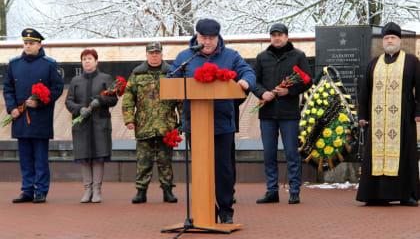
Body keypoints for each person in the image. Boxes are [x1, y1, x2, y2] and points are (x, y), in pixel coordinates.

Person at [167, 18, 256, 224]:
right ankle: (204, 209)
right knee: (200, 168)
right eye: (203, 38)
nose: (207, 42)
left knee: (222, 169)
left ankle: (225, 210)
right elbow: (171, 79)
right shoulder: (185, 57)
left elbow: (248, 72)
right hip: (194, 124)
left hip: (222, 124)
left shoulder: (230, 56)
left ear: (218, 38)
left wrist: (244, 81)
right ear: (196, 36)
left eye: (211, 38)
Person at [356, 22, 420, 206]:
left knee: (405, 155)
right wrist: (362, 115)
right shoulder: (374, 64)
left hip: (403, 119)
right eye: (386, 38)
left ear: (399, 40)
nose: (389, 40)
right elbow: (364, 92)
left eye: (392, 37)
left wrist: (418, 112)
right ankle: (375, 195)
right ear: (382, 42)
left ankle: (406, 194)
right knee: (375, 155)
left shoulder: (411, 62)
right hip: (376, 122)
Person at [253, 23, 312, 205]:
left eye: (280, 35)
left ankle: (294, 190)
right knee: (269, 154)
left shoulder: (298, 56)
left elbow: (308, 80)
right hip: (267, 113)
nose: (277, 38)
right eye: (273, 35)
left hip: (289, 113)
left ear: (287, 37)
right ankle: (272, 190)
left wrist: (290, 91)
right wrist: (263, 93)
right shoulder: (262, 57)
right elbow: (254, 81)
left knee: (291, 153)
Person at [3, 28, 64, 203]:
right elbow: (8, 89)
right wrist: (11, 108)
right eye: (26, 43)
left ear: (39, 45)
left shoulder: (49, 64)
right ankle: (27, 190)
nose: (28, 46)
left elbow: (57, 89)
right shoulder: (14, 64)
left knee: (40, 158)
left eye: (31, 43)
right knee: (25, 158)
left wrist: (41, 102)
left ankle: (41, 190)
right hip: (21, 118)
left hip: (40, 118)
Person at [122, 41, 181, 204]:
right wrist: (129, 119)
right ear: (146, 55)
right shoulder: (137, 74)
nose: (154, 55)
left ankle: (167, 191)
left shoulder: (171, 73)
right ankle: (141, 191)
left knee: (165, 161)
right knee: (143, 161)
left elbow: (180, 99)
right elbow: (128, 98)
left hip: (166, 125)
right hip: (144, 125)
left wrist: (183, 121)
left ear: (162, 54)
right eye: (151, 53)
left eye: (157, 53)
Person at [65, 49, 118, 203]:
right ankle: (87, 190)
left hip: (99, 124)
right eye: (84, 59)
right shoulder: (76, 81)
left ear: (96, 61)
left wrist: (101, 101)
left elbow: (113, 99)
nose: (86, 61)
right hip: (82, 124)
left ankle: (97, 190)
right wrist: (79, 109)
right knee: (84, 157)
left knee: (97, 158)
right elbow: (69, 102)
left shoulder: (105, 78)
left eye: (89, 58)